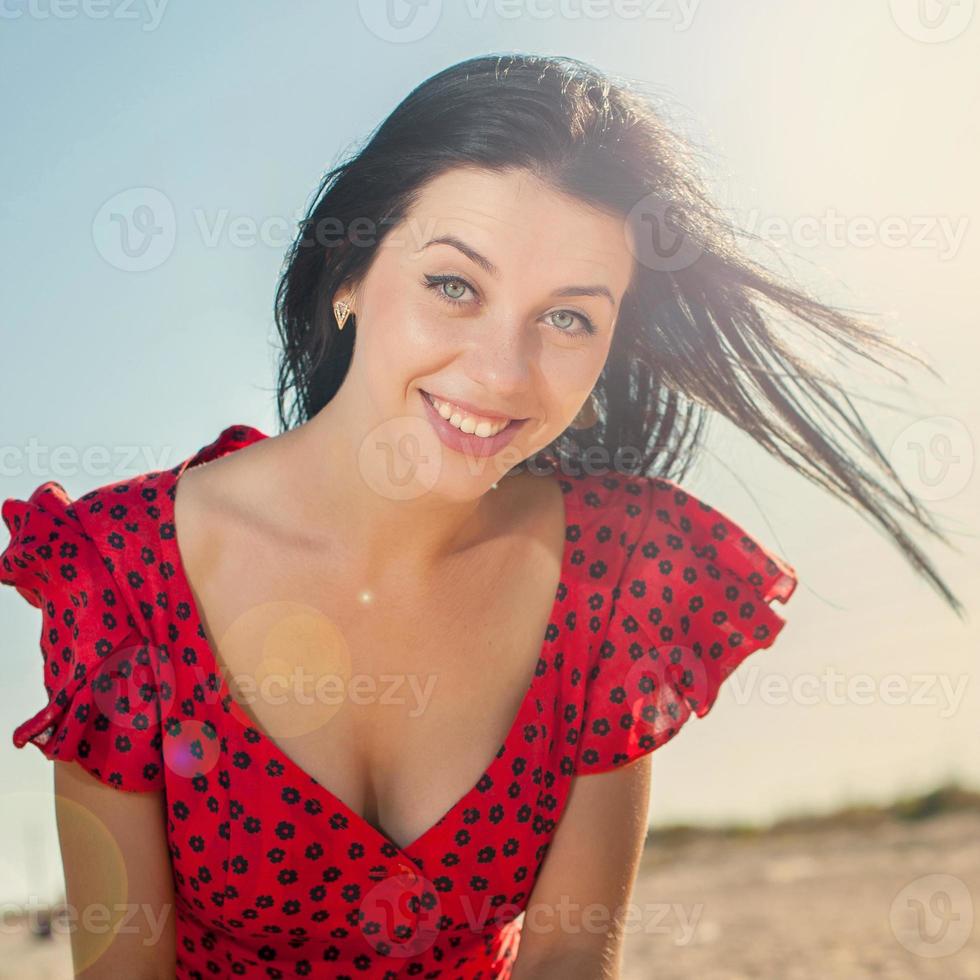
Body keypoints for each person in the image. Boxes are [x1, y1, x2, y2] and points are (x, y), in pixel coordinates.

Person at [2, 53, 962, 980]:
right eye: (453, 285)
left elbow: (569, 957)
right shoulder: (121, 570)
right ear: (349, 274)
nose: (502, 373)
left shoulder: (619, 571)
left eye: (569, 317)